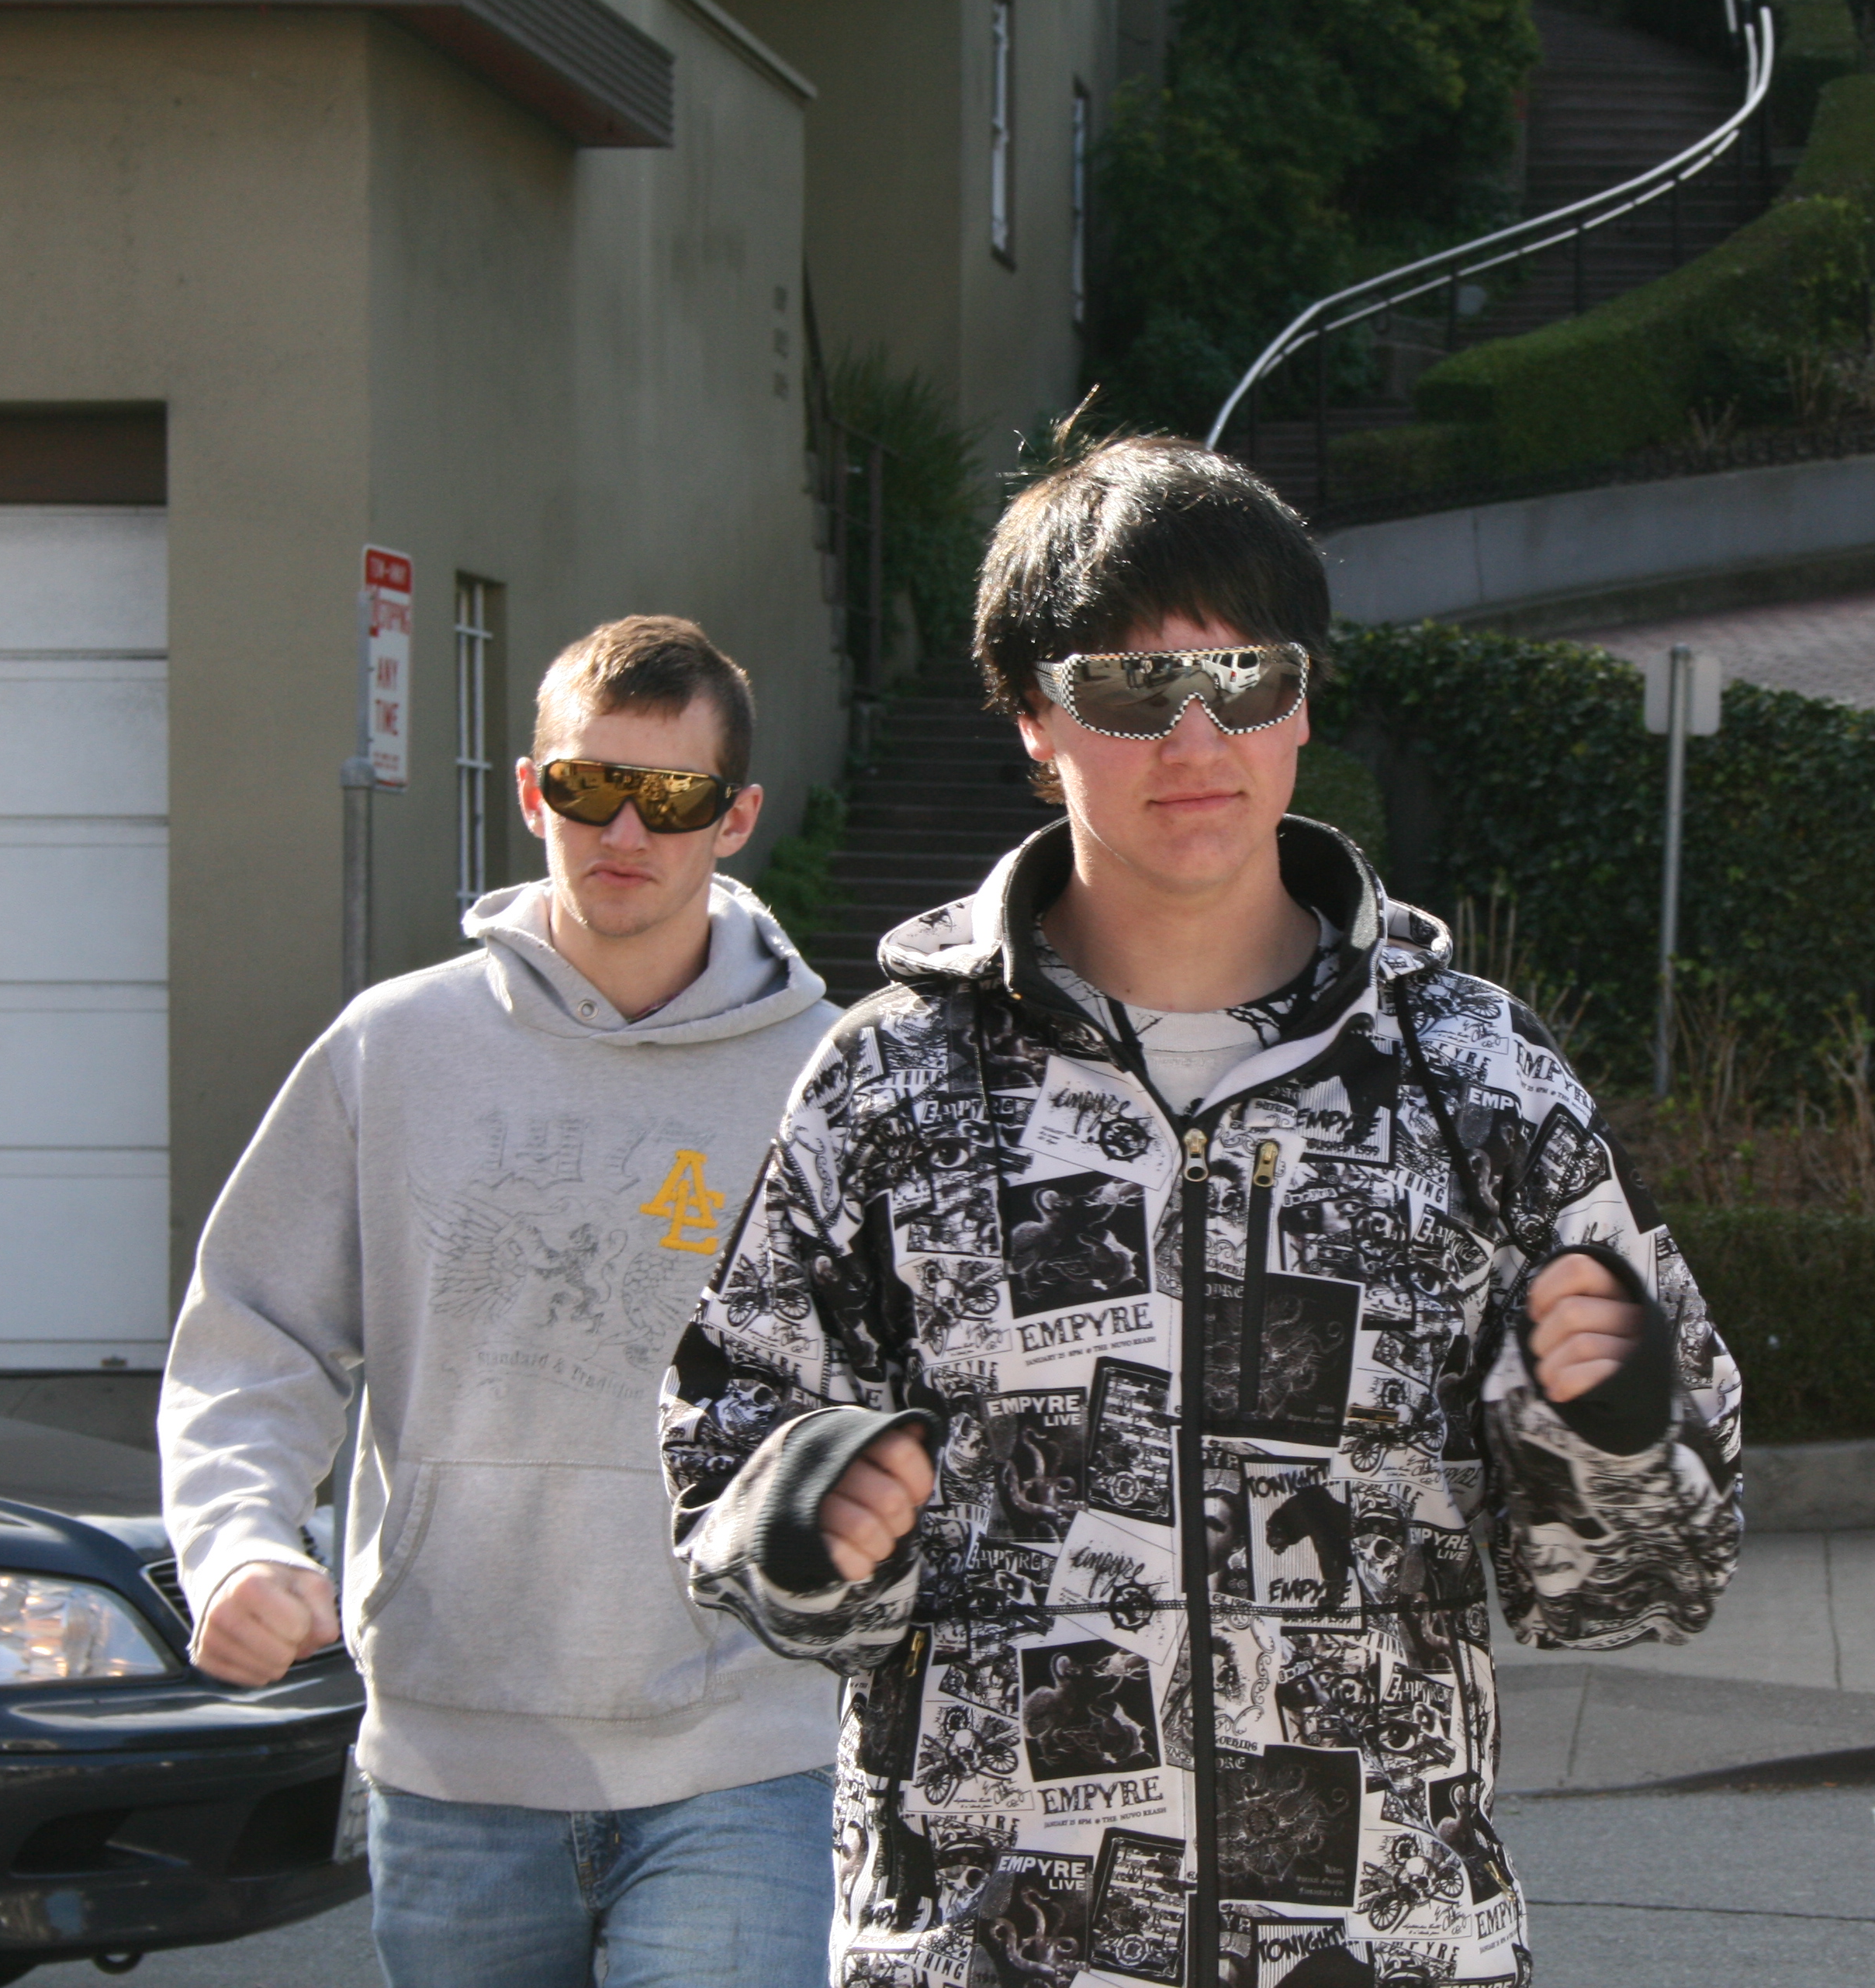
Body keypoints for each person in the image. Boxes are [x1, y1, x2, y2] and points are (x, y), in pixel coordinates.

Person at [659, 435, 1745, 1988]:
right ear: (1034, 717)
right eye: (1127, 685)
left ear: (1301, 704)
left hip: (1380, 1949)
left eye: (1244, 676)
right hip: (990, 1952)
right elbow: (730, 1468)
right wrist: (808, 1529)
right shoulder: (892, 1084)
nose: (1194, 734)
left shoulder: (1475, 1080)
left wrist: (1604, 1430)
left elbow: (1643, 1585)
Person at [161, 617, 845, 1987]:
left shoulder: (833, 1079)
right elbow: (257, 1331)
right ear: (533, 793)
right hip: (454, 1756)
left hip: (750, 1754)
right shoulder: (391, 1049)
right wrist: (235, 1544)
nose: (625, 831)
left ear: (736, 818)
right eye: (590, 786)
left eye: (673, 796)